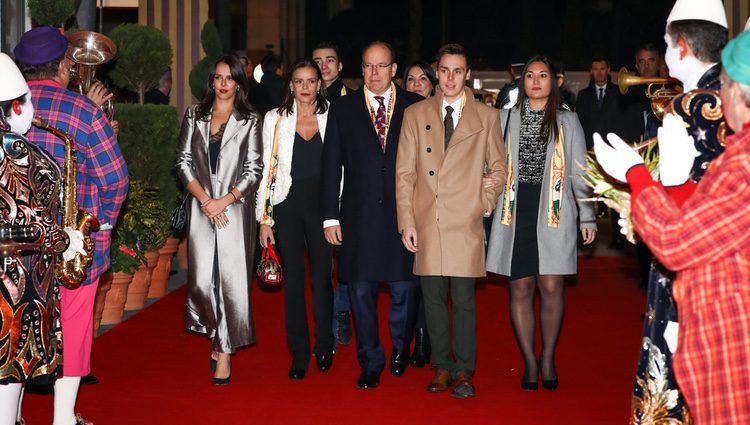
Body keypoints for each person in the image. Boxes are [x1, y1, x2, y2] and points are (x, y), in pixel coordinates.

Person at [594, 25, 750, 423]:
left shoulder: (743, 161)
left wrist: (636, 174)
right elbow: (708, 226)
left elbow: (675, 241)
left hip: (732, 338)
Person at [15, 26, 129, 425]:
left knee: (16, 327)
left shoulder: (5, 107)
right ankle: (63, 417)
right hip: (72, 243)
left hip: (17, 244)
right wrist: (102, 226)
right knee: (75, 326)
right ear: (64, 66)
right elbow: (115, 178)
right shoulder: (82, 109)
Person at [396, 43, 506, 398]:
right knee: (431, 300)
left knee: (463, 300)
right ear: (436, 71)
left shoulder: (487, 117)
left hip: (465, 220)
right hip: (427, 219)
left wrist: (483, 202)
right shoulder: (415, 114)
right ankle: (441, 367)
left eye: (458, 71)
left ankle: (463, 371)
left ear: (468, 74)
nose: (451, 78)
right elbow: (404, 174)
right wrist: (406, 221)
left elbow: (500, 168)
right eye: (444, 70)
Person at [486, 55, 597, 391]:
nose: (535, 81)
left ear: (554, 81)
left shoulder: (567, 120)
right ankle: (529, 361)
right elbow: (489, 168)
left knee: (551, 287)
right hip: (514, 212)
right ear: (522, 82)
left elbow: (579, 171)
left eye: (543, 75)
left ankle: (547, 356)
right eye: (530, 75)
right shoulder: (504, 119)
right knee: (520, 287)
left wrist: (587, 215)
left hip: (554, 212)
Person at [321, 41, 423, 389]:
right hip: (358, 217)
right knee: (361, 292)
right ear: (360, 69)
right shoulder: (342, 108)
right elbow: (331, 165)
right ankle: (370, 360)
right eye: (368, 66)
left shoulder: (415, 106)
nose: (374, 73)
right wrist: (330, 217)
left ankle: (399, 349)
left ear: (394, 69)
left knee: (403, 290)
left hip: (404, 217)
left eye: (381, 66)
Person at [175, 54, 263, 386]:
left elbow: (253, 169)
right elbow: (183, 160)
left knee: (231, 281)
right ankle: (216, 331)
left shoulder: (250, 119)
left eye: (230, 78)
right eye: (218, 78)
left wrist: (224, 201)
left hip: (235, 209)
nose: (223, 84)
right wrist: (204, 200)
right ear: (211, 81)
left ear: (239, 83)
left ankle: (225, 350)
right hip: (202, 207)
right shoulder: (194, 114)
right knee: (200, 281)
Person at [0, 52, 70, 425]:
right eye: (25, 101)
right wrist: (63, 238)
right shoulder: (25, 155)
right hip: (15, 293)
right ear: (12, 106)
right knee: (6, 393)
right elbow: (41, 226)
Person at [256, 59, 334, 380]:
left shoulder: (333, 116)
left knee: (321, 280)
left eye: (311, 81)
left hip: (323, 207)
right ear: (290, 85)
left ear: (319, 84)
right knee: (294, 284)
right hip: (286, 206)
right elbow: (266, 171)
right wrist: (264, 218)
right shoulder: (275, 119)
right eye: (299, 81)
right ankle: (300, 352)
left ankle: (325, 345)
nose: (305, 88)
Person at [310, 42, 352, 346]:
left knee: (346, 262)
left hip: (346, 192)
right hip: (310, 192)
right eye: (317, 61)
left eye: (329, 61)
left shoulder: (351, 101)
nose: (324, 66)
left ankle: (342, 312)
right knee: (321, 265)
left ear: (340, 66)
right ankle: (325, 324)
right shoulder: (302, 97)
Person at [400, 59, 438, 369]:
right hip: (402, 207)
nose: (415, 85)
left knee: (429, 277)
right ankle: (407, 335)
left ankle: (423, 338)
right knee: (407, 279)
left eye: (422, 80)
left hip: (434, 209)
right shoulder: (398, 117)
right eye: (410, 80)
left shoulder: (444, 116)